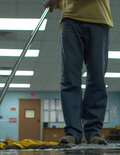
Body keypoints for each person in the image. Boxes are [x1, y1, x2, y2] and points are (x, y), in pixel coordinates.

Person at [44, 0, 113, 145]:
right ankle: (73, 132)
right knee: (69, 77)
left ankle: (93, 131)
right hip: (70, 19)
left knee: (97, 77)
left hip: (98, 18)